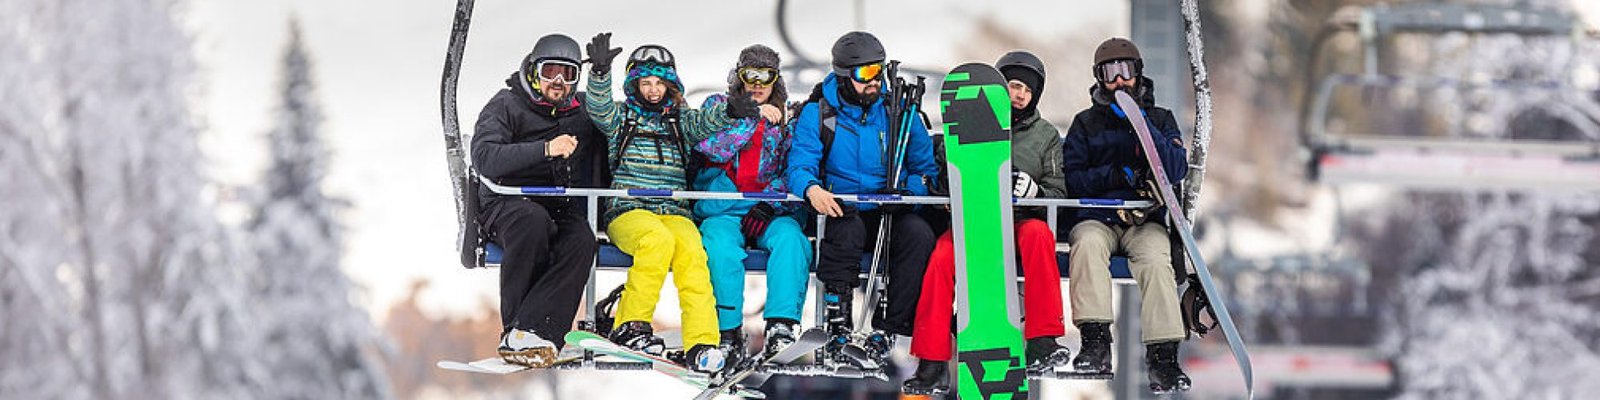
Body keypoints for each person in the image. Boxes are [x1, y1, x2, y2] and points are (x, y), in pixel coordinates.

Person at [581, 33, 762, 374]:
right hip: (629, 211)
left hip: (674, 212)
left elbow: (707, 122)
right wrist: (601, 73)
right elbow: (599, 108)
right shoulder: (622, 119)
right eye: (645, 83)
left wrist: (731, 110)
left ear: (670, 86)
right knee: (656, 242)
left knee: (693, 254)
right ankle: (631, 323)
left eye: (659, 83)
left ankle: (703, 342)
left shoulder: (680, 120)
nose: (652, 90)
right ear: (634, 86)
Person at [901, 50, 1072, 394]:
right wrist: (949, 187)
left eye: (1028, 90)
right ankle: (932, 361)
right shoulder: (965, 125)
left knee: (1040, 236)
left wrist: (1035, 191)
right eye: (1013, 86)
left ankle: (1042, 338)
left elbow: (1059, 189)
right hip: (974, 221)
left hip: (1021, 221)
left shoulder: (1044, 135)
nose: (1020, 94)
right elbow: (942, 172)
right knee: (939, 261)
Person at [787, 31, 940, 366]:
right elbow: (800, 163)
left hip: (892, 208)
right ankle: (837, 319)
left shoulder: (899, 111)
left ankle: (887, 329)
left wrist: (907, 196)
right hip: (844, 204)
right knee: (846, 228)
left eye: (879, 71)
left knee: (919, 234)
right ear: (845, 77)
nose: (874, 82)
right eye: (865, 74)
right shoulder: (819, 113)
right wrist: (812, 189)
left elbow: (923, 167)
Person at [1062, 37, 1192, 392]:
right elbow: (1072, 179)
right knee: (1086, 244)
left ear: (1139, 74)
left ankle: (1163, 357)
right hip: (1099, 219)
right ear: (1099, 78)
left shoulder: (1161, 118)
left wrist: (1143, 126)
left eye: (1126, 72)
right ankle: (1095, 342)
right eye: (1110, 73)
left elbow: (1176, 168)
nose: (1119, 81)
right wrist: (1116, 176)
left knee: (1155, 258)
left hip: (1143, 220)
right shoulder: (1085, 124)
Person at [470, 33, 607, 367]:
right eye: (550, 72)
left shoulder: (582, 110)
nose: (558, 82)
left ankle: (541, 332)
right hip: (506, 199)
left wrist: (602, 77)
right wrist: (545, 149)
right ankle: (516, 330)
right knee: (532, 223)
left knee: (580, 240)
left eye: (568, 74)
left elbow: (616, 117)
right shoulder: (507, 104)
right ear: (533, 72)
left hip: (557, 202)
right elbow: (484, 155)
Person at [690, 44, 811, 361]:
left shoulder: (788, 119)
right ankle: (727, 331)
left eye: (765, 76)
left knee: (791, 240)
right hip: (724, 207)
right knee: (718, 246)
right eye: (750, 75)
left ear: (776, 80)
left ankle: (781, 326)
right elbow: (711, 148)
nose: (758, 84)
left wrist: (770, 202)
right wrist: (751, 117)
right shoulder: (718, 107)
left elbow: (795, 167)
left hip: (767, 209)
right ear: (739, 77)